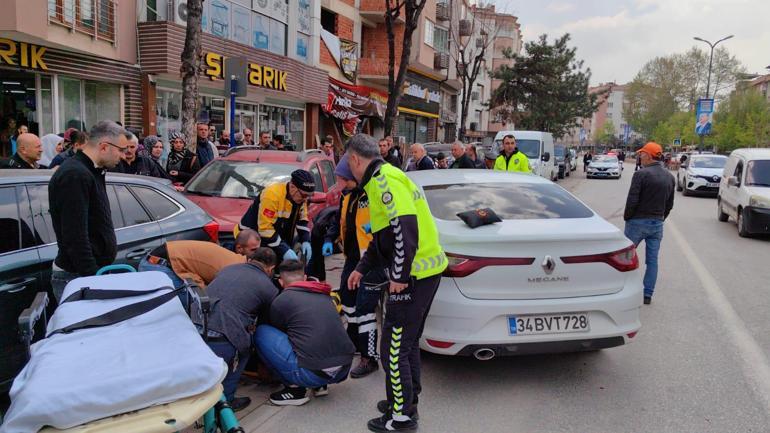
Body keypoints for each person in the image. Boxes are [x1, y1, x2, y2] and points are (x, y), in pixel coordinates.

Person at [345, 133, 447, 432]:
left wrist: (399, 277)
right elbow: (384, 237)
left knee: (394, 346)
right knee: (408, 342)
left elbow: (404, 231)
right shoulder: (386, 176)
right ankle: (405, 401)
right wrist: (363, 267)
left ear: (354, 159)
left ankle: (401, 417)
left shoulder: (383, 182)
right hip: (424, 272)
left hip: (414, 276)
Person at [254, 260, 355, 406]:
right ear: (305, 277)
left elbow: (281, 331)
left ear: (281, 282)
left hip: (312, 374)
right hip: (344, 369)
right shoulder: (324, 295)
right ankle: (320, 385)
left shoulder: (282, 300)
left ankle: (295, 390)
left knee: (262, 332)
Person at [191, 247, 279, 412]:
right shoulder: (268, 287)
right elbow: (266, 323)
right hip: (222, 337)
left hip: (194, 326)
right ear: (271, 268)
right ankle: (227, 400)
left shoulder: (228, 269)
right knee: (243, 351)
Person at [48, 120, 127, 302]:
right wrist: (92, 277)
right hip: (77, 277)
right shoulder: (76, 175)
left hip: (87, 274)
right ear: (104, 146)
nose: (123, 156)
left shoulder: (94, 171)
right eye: (121, 150)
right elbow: (75, 236)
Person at [335, 153, 386, 379]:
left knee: (365, 310)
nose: (339, 183)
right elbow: (345, 224)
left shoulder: (370, 194)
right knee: (347, 300)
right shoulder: (348, 197)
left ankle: (369, 358)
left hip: (372, 261)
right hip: (353, 259)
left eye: (341, 178)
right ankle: (355, 341)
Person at [623, 142, 675, 305]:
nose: (640, 156)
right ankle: (647, 294)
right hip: (656, 223)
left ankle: (624, 290)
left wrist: (628, 217)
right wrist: (660, 217)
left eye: (642, 154)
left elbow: (632, 200)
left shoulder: (641, 174)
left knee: (625, 257)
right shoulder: (669, 177)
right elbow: (670, 204)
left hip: (637, 222)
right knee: (652, 261)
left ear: (648, 155)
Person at [138, 230, 259, 291]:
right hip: (157, 265)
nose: (256, 253)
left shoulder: (230, 260)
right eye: (253, 249)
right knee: (192, 304)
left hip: (159, 261)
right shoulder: (232, 269)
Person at [239, 169, 314, 262]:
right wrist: (284, 249)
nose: (305, 199)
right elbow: (265, 229)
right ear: (292, 187)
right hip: (251, 240)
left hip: (272, 239)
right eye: (304, 195)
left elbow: (302, 220)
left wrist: (306, 240)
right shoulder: (272, 196)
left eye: (309, 196)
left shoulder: (300, 199)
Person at [306, 205, 339, 282]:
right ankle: (311, 279)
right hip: (319, 228)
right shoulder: (323, 226)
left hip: (327, 219)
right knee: (316, 257)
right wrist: (327, 241)